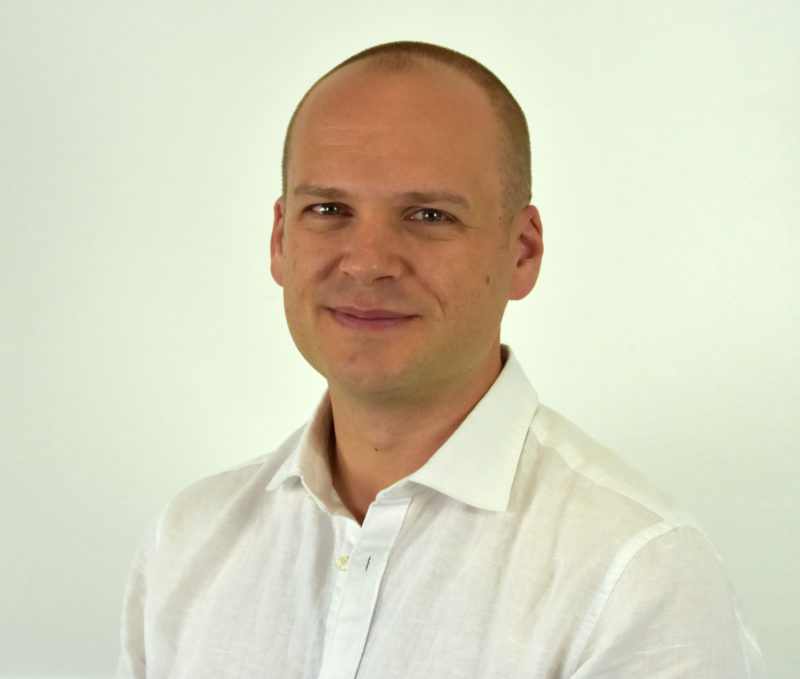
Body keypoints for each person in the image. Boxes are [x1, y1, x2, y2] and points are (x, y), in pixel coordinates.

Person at [116, 41, 765, 678]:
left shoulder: (636, 577)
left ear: (522, 251)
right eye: (329, 209)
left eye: (428, 215)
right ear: (281, 239)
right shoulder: (187, 545)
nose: (367, 262)